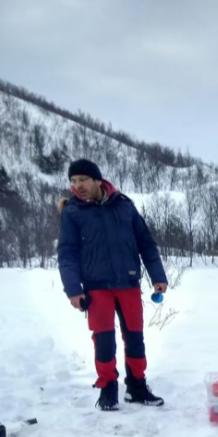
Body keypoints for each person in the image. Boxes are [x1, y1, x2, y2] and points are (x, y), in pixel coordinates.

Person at [57, 159, 167, 411]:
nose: (78, 186)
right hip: (96, 287)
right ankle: (107, 389)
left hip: (128, 282)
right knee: (104, 341)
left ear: (98, 180)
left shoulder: (124, 205)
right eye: (73, 181)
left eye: (83, 179)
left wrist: (158, 276)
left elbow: (145, 243)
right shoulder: (72, 212)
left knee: (135, 338)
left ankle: (137, 386)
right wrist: (73, 289)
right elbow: (67, 253)